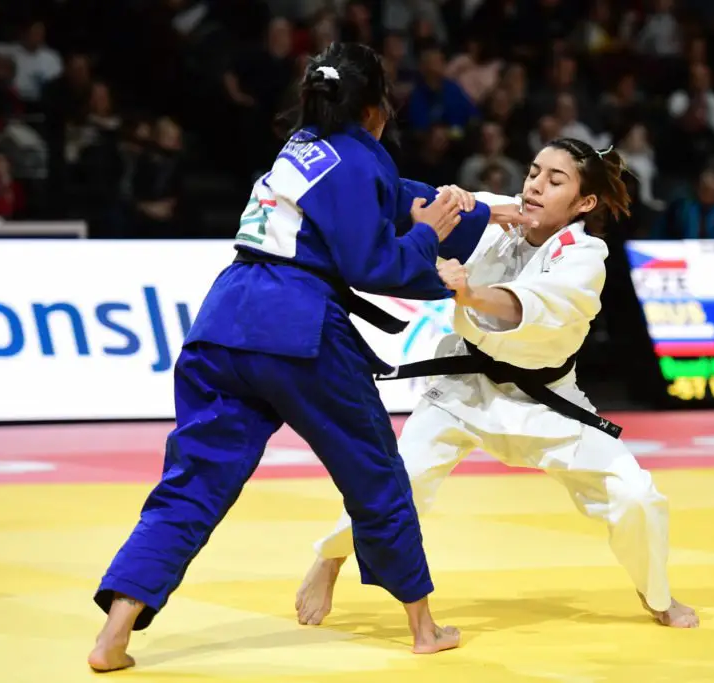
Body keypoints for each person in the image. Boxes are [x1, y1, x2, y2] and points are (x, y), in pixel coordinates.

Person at [87, 43, 528, 672]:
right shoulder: (359, 157)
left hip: (223, 322)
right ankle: (424, 628)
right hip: (296, 328)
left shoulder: (300, 148)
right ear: (375, 108)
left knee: (192, 482)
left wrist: (479, 209)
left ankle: (114, 634)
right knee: (375, 471)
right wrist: (430, 239)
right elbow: (373, 262)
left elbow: (393, 195)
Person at [295, 137, 700, 630]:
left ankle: (656, 593)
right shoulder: (493, 214)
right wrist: (449, 204)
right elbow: (411, 204)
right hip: (463, 387)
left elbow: (522, 308)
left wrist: (468, 291)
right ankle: (330, 559)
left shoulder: (585, 255)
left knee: (635, 496)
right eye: (533, 172)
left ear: (584, 203)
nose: (536, 186)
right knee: (398, 482)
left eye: (555, 180)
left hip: (548, 401)